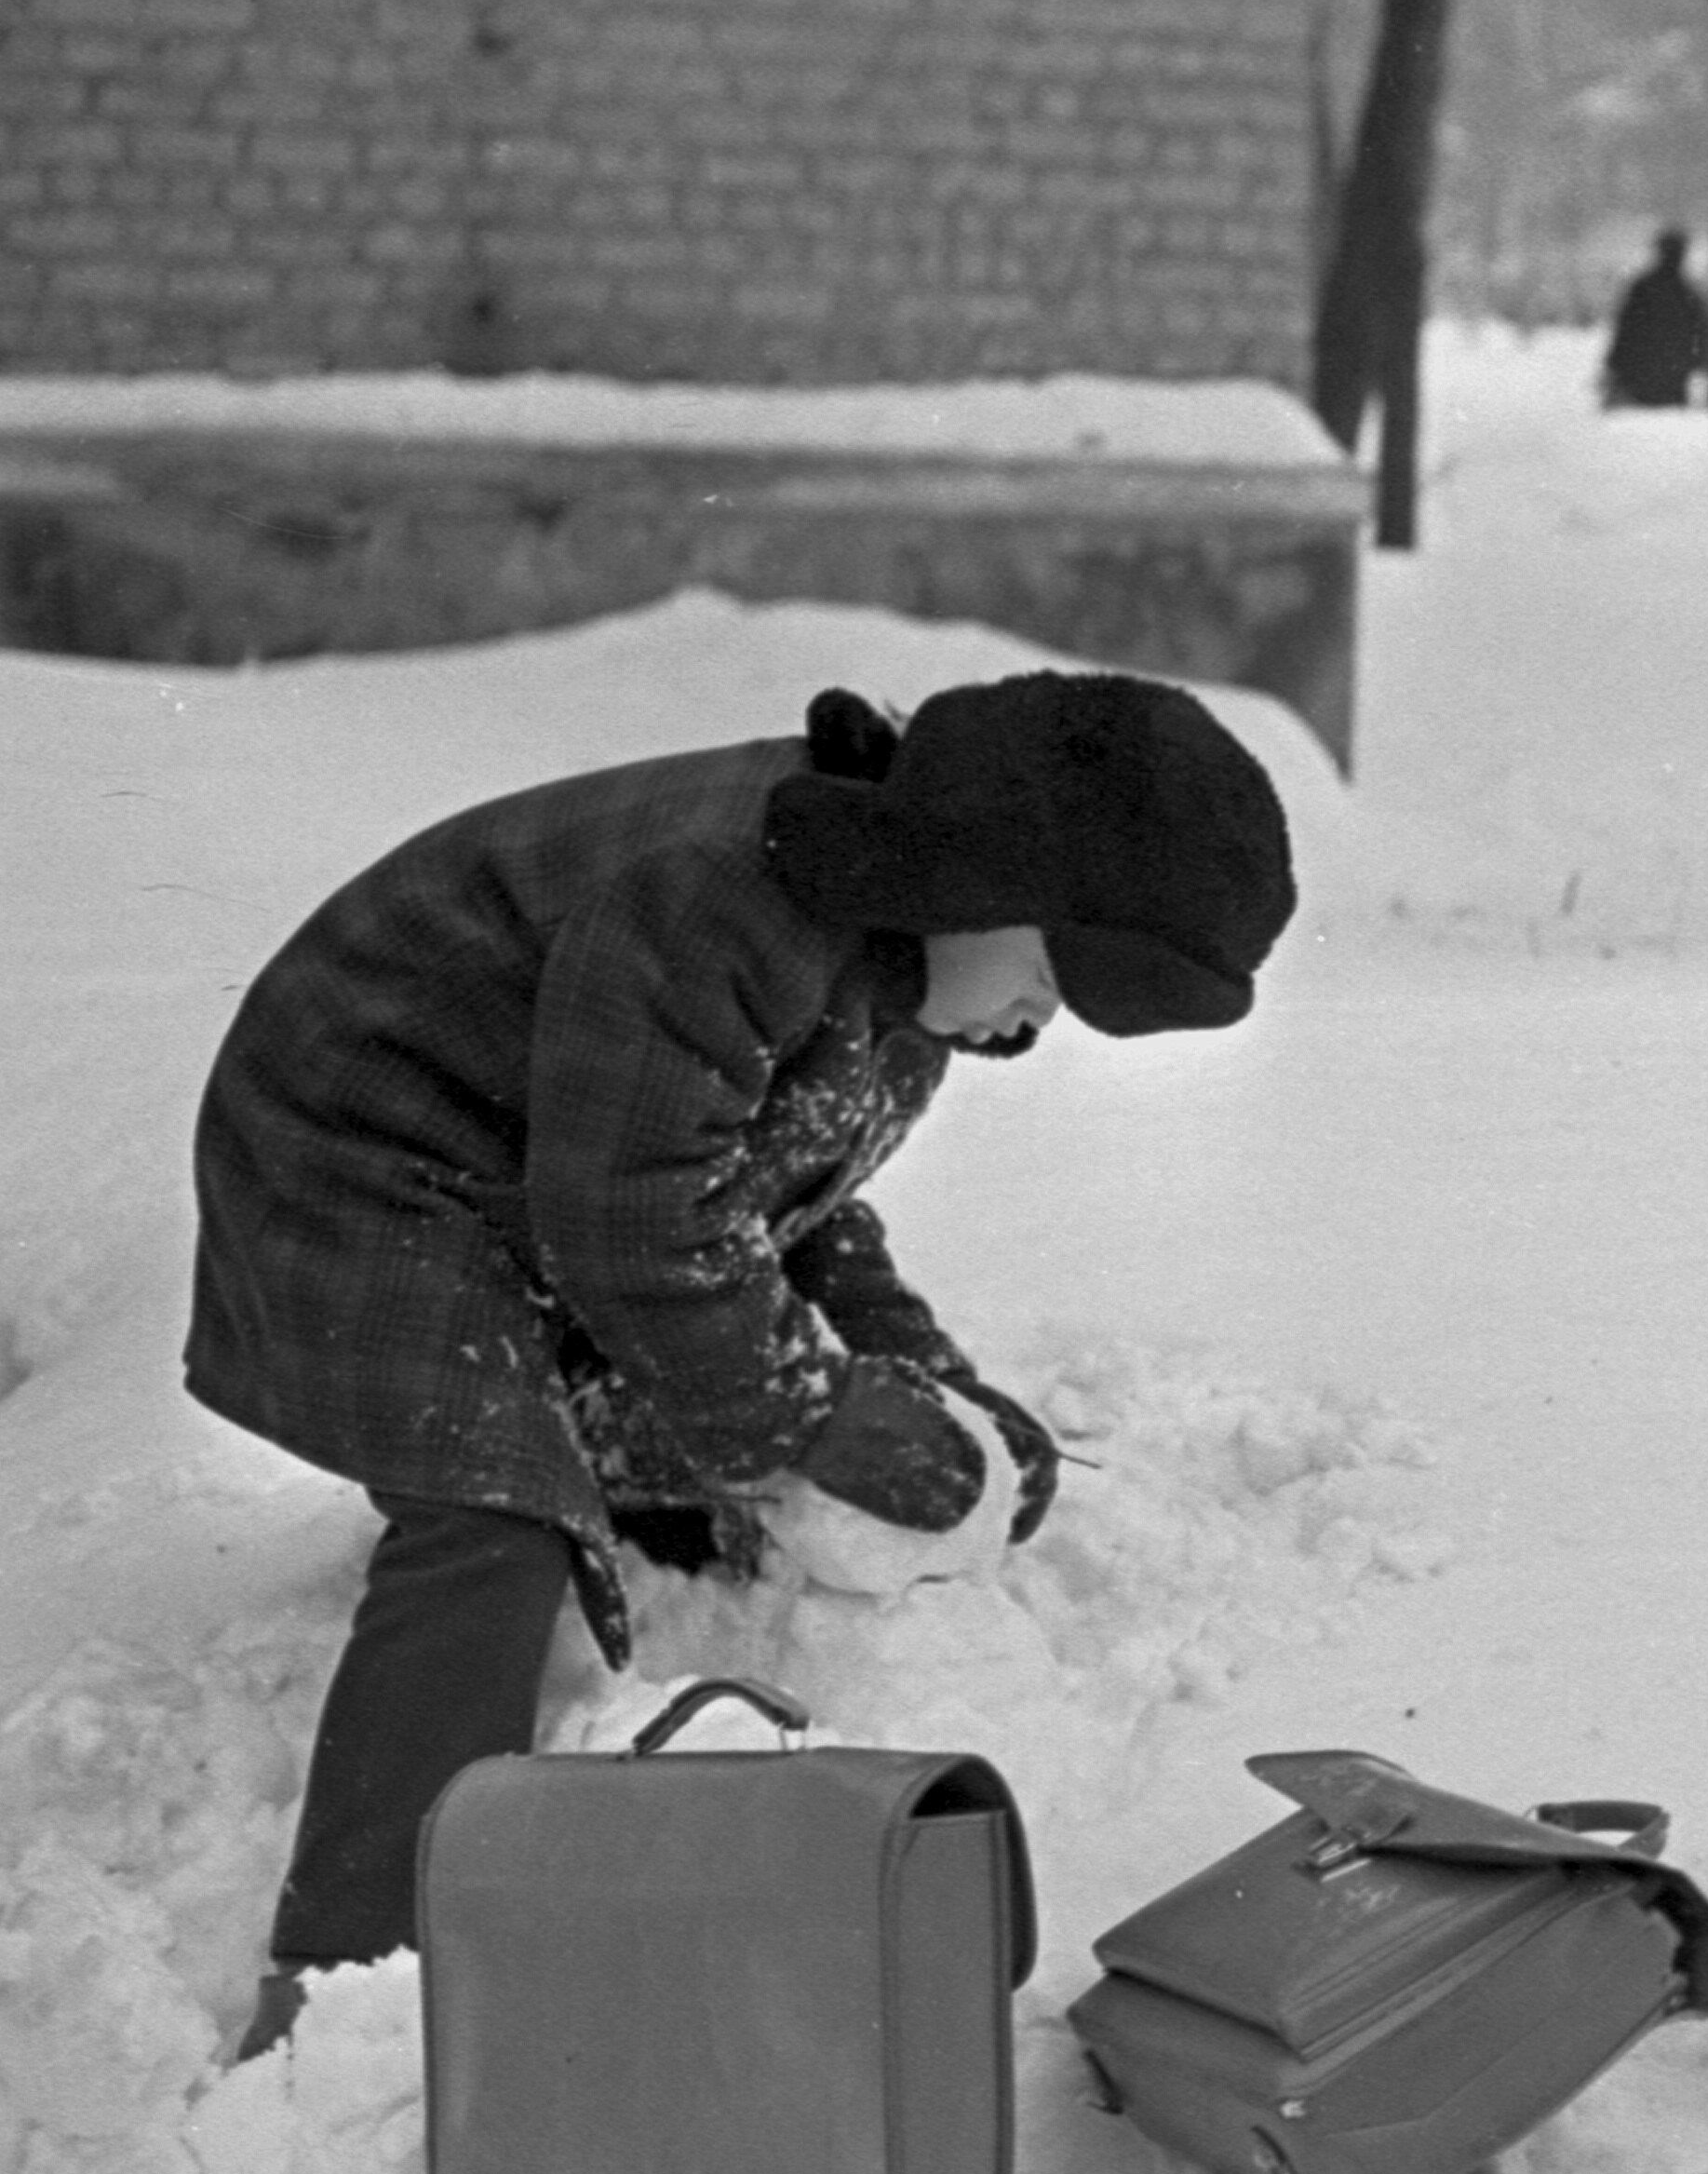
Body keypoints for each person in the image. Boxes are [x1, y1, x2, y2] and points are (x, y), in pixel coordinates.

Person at [193, 671, 1297, 2058]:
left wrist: (918, 1370)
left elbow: (779, 1199)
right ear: (985, 879)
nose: (1034, 1022)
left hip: (546, 1177)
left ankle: (607, 1500)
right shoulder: (719, 900)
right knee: (493, 1513)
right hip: (361, 1155)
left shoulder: (904, 964)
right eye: (1050, 975)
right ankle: (349, 1983)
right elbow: (635, 1216)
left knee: (687, 1449)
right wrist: (818, 1414)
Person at [1600, 226, 1708, 410]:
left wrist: (1613, 365)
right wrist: (1699, 363)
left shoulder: (1643, 287)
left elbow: (1625, 331)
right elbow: (1702, 336)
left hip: (1638, 378)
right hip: (1672, 380)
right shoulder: (1688, 292)